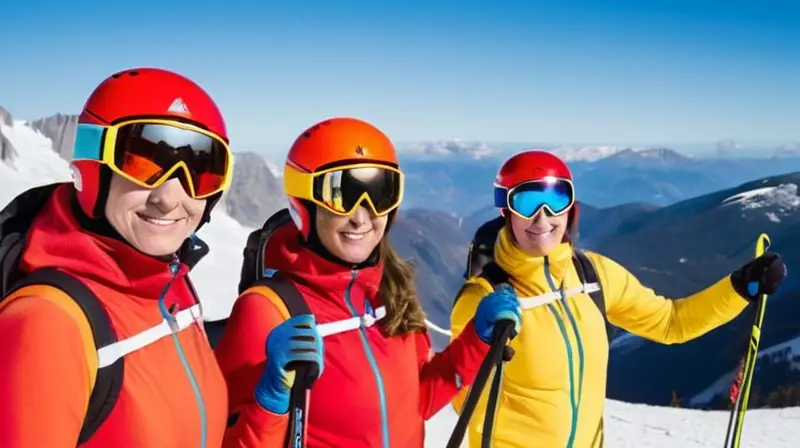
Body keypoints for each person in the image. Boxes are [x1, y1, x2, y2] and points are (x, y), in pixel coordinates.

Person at [215, 117, 522, 447]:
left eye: (379, 193)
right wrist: (270, 402)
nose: (362, 216)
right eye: (339, 195)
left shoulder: (389, 291)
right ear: (304, 204)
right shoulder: (266, 311)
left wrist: (477, 339)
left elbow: (418, 402)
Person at [449, 149, 787, 448]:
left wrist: (740, 287)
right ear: (506, 212)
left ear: (570, 208)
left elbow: (671, 322)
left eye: (556, 200)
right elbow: (463, 400)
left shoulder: (593, 276)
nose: (543, 216)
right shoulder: (485, 299)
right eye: (525, 202)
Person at [0, 67, 235, 447]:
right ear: (96, 167)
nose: (171, 197)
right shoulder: (48, 323)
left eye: (200, 171)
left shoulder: (171, 279)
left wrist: (266, 403)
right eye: (143, 162)